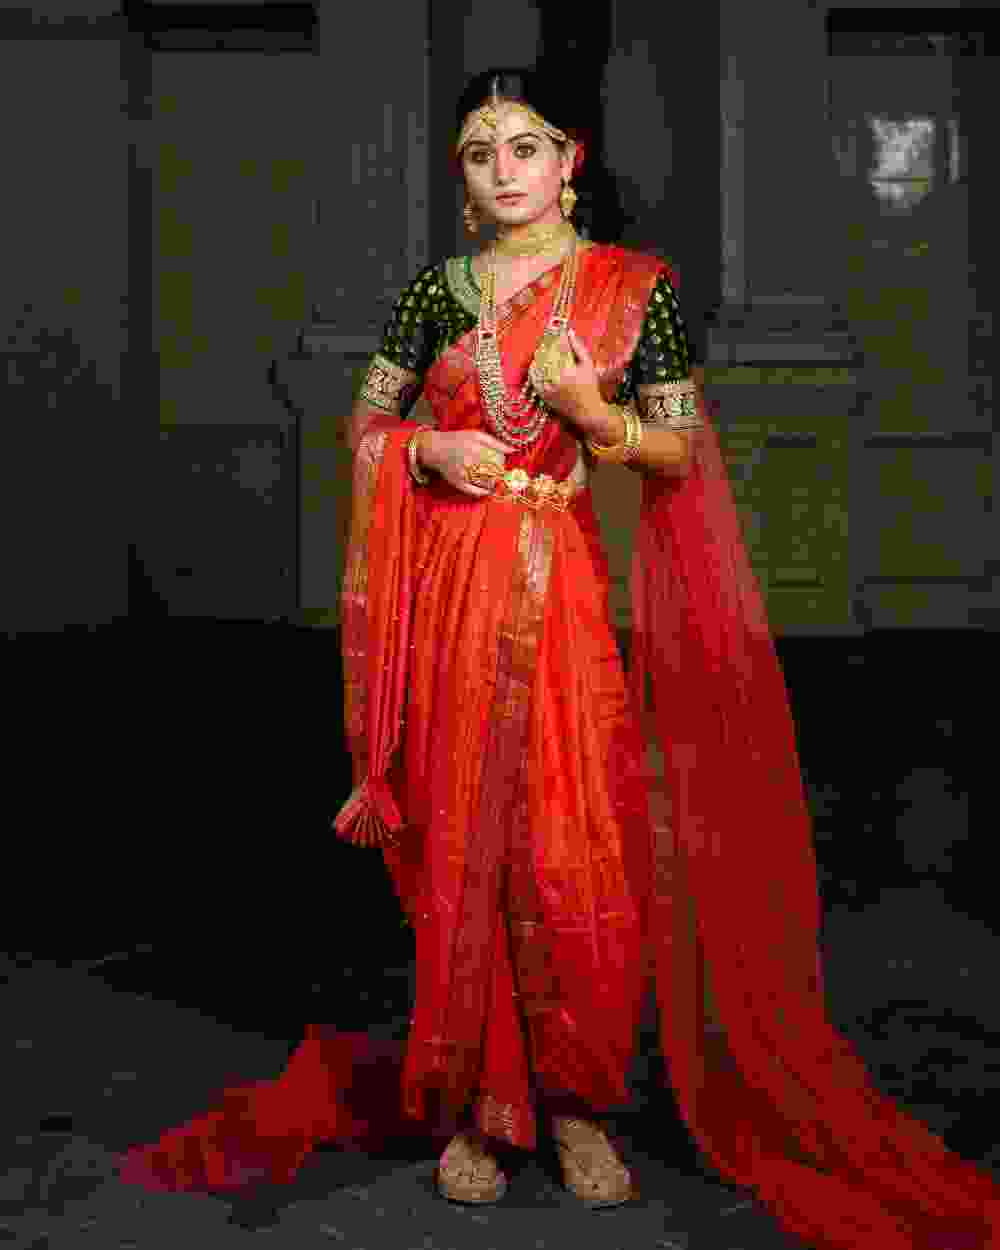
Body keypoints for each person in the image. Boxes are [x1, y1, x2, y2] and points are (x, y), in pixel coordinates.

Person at [117, 68, 999, 1247]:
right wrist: (427, 449)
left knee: (575, 835)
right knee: (460, 831)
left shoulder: (635, 292)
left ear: (567, 161)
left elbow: (678, 450)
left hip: (563, 584)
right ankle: (480, 1107)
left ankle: (580, 1102)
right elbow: (365, 421)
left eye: (524, 146)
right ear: (462, 174)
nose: (503, 170)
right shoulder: (437, 291)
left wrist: (592, 411)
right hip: (448, 590)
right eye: (480, 152)